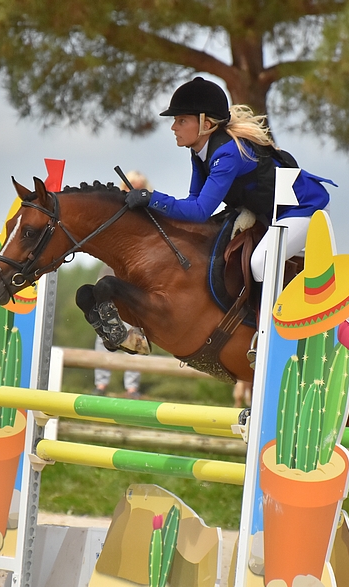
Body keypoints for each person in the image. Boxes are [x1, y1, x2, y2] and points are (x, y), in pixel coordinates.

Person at [125, 77, 335, 282]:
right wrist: (153, 206)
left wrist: (151, 198)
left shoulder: (227, 154)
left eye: (181, 120)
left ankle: (281, 316)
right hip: (268, 214)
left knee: (260, 264)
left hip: (301, 210)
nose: (173, 127)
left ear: (205, 124)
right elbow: (193, 200)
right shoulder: (200, 153)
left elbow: (200, 211)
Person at [92, 264, 143, 399]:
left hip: (129, 309)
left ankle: (132, 388)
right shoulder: (106, 266)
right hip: (109, 309)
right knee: (103, 341)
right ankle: (100, 385)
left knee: (134, 342)